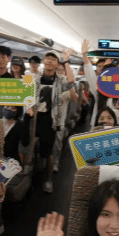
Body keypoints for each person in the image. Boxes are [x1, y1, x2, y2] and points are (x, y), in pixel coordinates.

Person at [35, 49, 76, 192]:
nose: (50, 61)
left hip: (49, 119)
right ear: (43, 61)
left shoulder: (60, 80)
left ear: (57, 63)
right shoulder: (34, 78)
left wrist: (66, 61)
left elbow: (71, 81)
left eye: (53, 59)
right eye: (48, 58)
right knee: (27, 146)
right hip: (33, 117)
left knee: (49, 152)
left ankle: (48, 180)